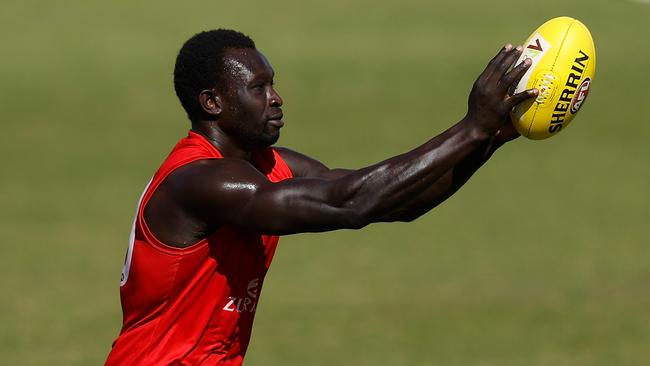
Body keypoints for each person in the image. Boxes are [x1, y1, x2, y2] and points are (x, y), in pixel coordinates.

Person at [105, 29, 537, 365]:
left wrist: (492, 137)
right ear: (213, 102)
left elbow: (396, 202)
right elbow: (349, 203)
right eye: (258, 88)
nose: (276, 99)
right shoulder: (199, 182)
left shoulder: (269, 165)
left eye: (273, 84)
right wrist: (471, 128)